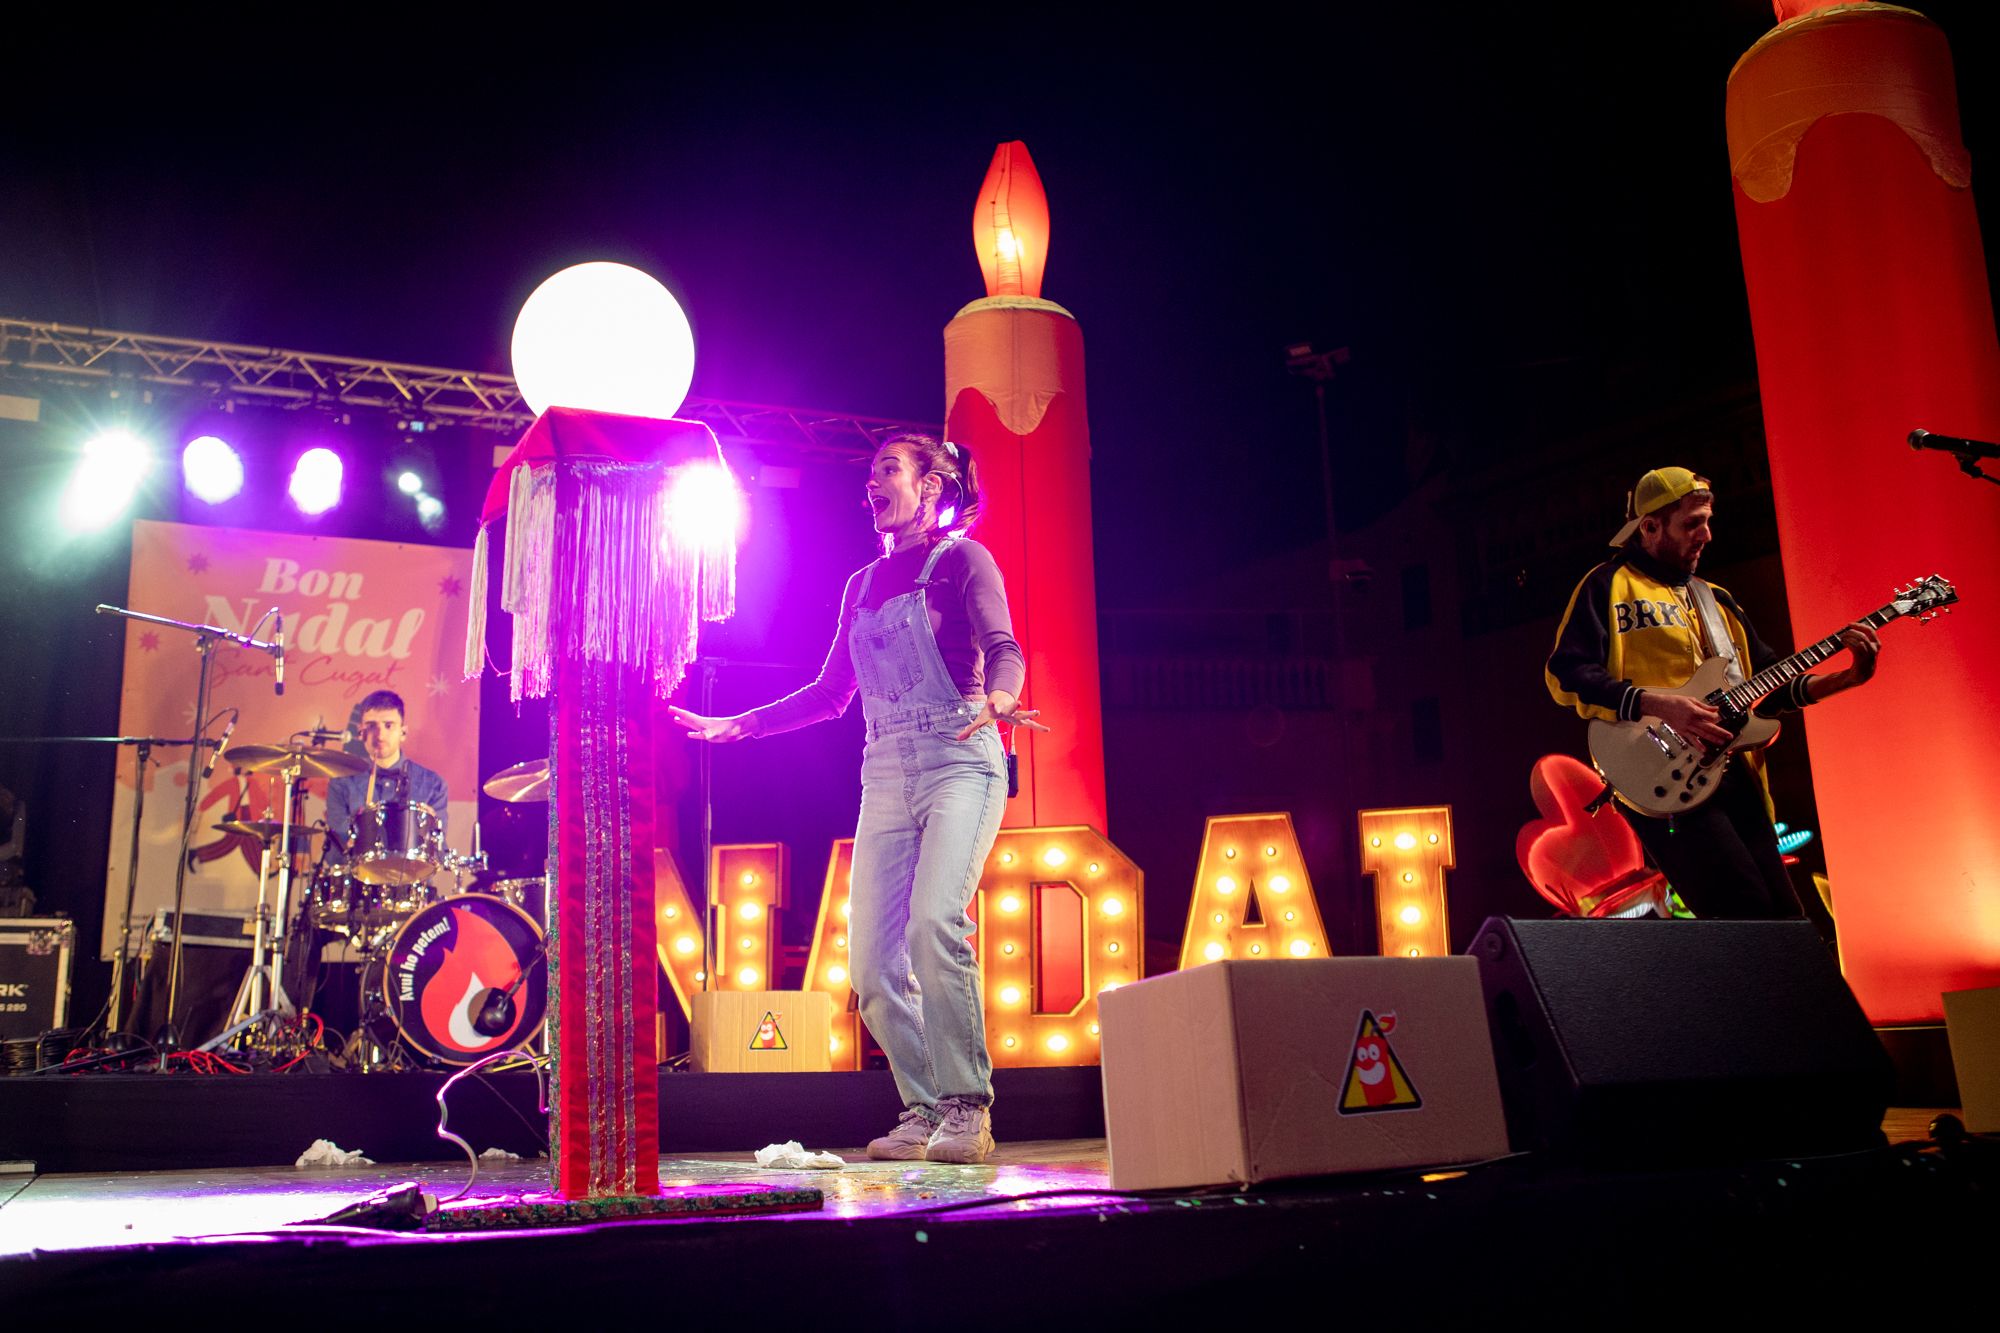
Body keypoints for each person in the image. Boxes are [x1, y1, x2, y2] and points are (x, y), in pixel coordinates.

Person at [669, 432, 1046, 1165]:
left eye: (889, 470)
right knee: (871, 967)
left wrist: (1000, 699)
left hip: (959, 758)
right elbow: (831, 693)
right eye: (869, 473)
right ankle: (923, 1106)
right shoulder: (860, 585)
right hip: (885, 772)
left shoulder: (963, 559)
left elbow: (1005, 646)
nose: (871, 484)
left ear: (932, 488)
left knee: (936, 923)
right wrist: (742, 724)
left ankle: (967, 1107)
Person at [1544, 467, 1880, 919]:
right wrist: (1659, 703)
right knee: (1744, 916)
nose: (1705, 535)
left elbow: (1771, 683)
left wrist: (1848, 677)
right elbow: (1566, 673)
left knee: (1788, 921)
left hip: (1736, 772)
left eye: (1707, 521)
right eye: (1691, 524)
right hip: (1660, 774)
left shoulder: (1717, 599)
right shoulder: (1606, 585)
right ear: (1649, 527)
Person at [324, 689, 450, 859]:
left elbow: (438, 847)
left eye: (389, 725)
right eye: (371, 726)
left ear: (403, 732)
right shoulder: (341, 781)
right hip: (357, 880)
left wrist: (429, 826)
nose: (380, 735)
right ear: (360, 732)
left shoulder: (433, 785)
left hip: (411, 881)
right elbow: (338, 841)